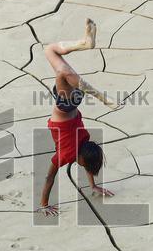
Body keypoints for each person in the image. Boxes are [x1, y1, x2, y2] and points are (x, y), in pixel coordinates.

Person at [39, 19, 116, 216]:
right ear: (81, 159)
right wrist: (44, 203)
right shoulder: (67, 154)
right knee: (61, 70)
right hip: (64, 106)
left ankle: (83, 44)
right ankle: (100, 96)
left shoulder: (85, 141)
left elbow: (87, 163)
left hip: (74, 102)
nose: (86, 168)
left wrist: (93, 185)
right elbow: (49, 178)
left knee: (51, 52)